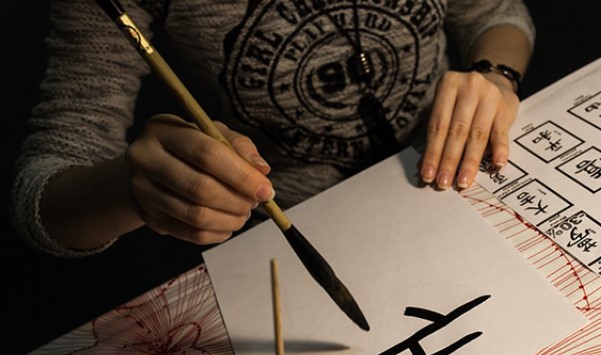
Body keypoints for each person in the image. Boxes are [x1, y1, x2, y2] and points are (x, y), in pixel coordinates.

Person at [11, 0, 534, 258]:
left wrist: (495, 76)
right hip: (296, 230)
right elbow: (42, 194)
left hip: (455, 175)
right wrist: (133, 189)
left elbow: (497, 14)